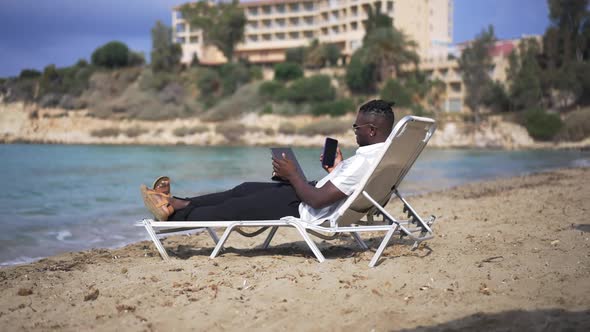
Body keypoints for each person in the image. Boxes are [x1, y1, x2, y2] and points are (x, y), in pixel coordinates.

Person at [140, 99, 395, 223]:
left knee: (234, 208)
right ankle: (178, 202)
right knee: (243, 189)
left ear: (371, 130)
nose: (354, 130)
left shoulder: (364, 161)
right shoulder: (379, 155)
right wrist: (335, 170)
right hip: (310, 194)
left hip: (303, 207)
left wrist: (293, 174)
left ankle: (170, 217)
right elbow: (345, 187)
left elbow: (316, 200)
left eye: (357, 126)